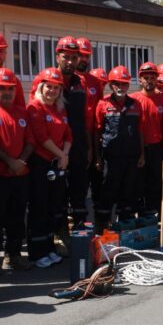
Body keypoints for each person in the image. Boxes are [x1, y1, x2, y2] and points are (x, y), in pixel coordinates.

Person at [0, 67, 32, 271]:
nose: (7, 92)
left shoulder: (22, 112)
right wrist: (9, 161)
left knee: (17, 217)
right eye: (2, 88)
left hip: (20, 174)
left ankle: (14, 254)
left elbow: (30, 142)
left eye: (11, 89)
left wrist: (20, 162)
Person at [27, 68, 72, 268]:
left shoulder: (60, 108)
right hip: (40, 163)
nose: (52, 91)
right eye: (49, 87)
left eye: (56, 88)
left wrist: (65, 154)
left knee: (53, 207)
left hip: (57, 163)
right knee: (39, 206)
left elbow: (69, 135)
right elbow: (41, 136)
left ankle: (49, 248)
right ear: (41, 87)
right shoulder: (35, 108)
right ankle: (37, 252)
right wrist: (61, 154)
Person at [93, 66, 144, 231]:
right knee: (108, 191)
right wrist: (97, 157)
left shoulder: (136, 105)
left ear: (128, 85)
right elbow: (96, 132)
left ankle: (125, 225)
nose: (120, 87)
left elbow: (140, 131)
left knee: (128, 192)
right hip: (111, 158)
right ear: (110, 85)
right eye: (116, 84)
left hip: (132, 157)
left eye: (123, 84)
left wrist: (142, 155)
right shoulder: (103, 104)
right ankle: (103, 226)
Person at [51, 36, 91, 232]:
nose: (70, 61)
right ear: (57, 56)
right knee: (57, 191)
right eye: (65, 57)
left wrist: (89, 147)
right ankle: (59, 233)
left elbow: (85, 118)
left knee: (79, 188)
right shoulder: (48, 80)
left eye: (74, 58)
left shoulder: (81, 83)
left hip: (77, 145)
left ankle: (79, 232)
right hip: (54, 147)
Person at [131, 62, 163, 216]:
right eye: (146, 78)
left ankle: (153, 216)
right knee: (137, 183)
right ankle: (138, 216)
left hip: (156, 148)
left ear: (156, 79)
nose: (149, 81)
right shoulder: (133, 100)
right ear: (140, 79)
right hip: (137, 149)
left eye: (152, 78)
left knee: (156, 183)